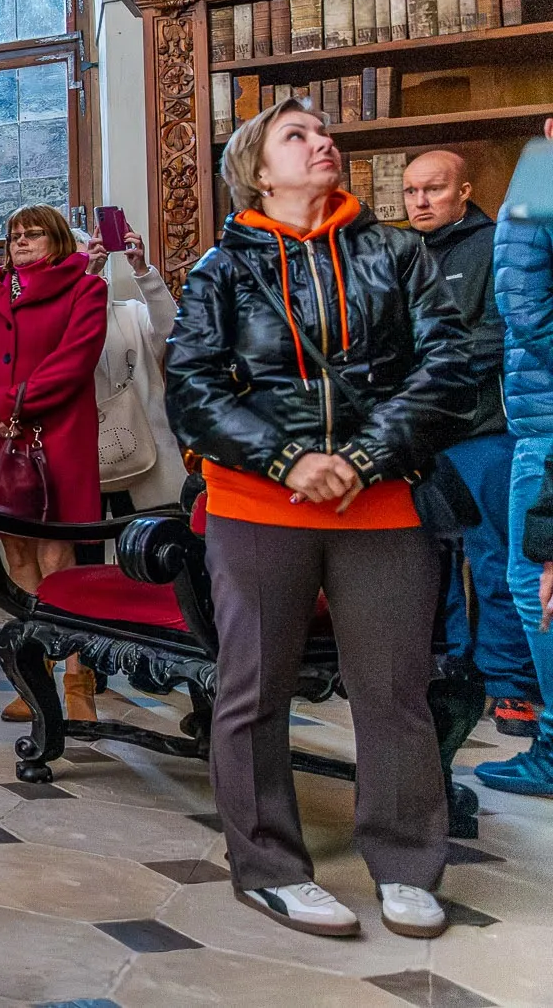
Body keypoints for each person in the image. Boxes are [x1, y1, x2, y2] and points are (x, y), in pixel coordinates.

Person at [167, 96, 474, 938]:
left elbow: (448, 367)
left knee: (394, 692)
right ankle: (268, 866)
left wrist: (364, 458)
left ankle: (408, 863)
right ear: (258, 171)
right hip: (260, 502)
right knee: (253, 691)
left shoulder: (398, 253)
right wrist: (291, 459)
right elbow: (192, 390)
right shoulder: (219, 270)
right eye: (296, 136)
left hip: (383, 503)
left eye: (322, 131)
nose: (321, 141)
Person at [0, 204, 107, 721]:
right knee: (17, 557)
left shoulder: (86, 289)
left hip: (54, 437)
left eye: (33, 233)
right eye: (14, 234)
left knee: (59, 560)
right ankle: (33, 678)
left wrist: (8, 403)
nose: (20, 241)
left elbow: (73, 362)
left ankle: (78, 680)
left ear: (58, 240)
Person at [404, 151, 535, 736]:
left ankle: (511, 688)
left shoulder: (489, 246)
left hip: (482, 433)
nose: (420, 202)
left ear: (464, 191)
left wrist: (427, 365)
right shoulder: (400, 254)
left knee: (497, 564)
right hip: (419, 438)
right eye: (411, 192)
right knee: (428, 561)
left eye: (433, 190)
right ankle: (451, 667)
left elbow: (504, 336)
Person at [478, 117, 553, 796]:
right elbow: (526, 310)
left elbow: (525, 314)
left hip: (546, 422)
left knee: (536, 584)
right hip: (539, 416)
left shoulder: (535, 192)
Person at [79, 220, 189, 514]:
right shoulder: (56, 323)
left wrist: (142, 270)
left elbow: (171, 330)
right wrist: (88, 277)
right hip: (85, 457)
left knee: (152, 548)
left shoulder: (131, 313)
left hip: (150, 455)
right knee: (84, 553)